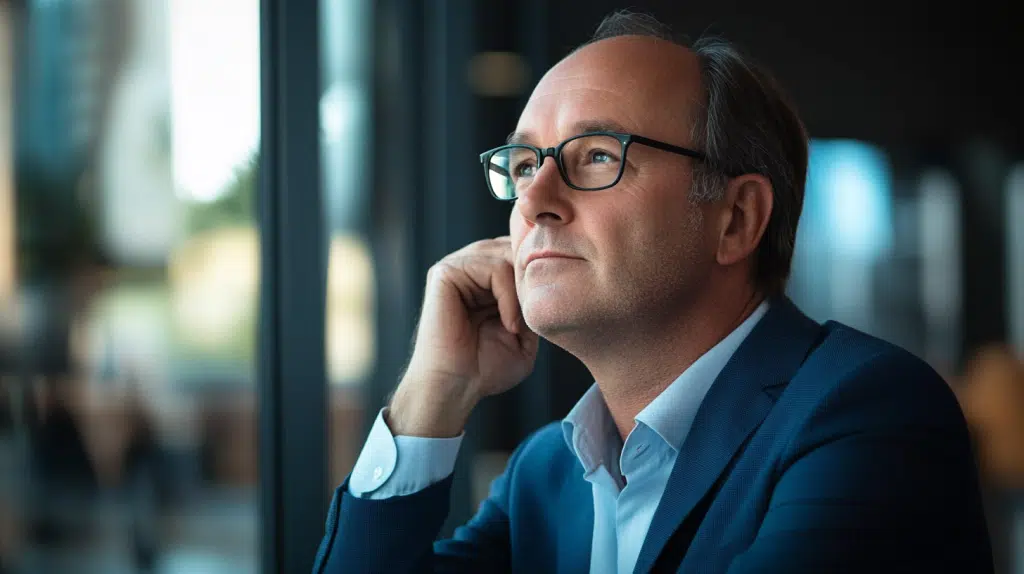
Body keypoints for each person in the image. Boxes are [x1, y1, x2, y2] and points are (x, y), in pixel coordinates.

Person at [313, 11, 993, 574]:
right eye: (523, 166)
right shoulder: (545, 475)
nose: (534, 202)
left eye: (598, 156)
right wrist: (431, 393)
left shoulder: (867, 413)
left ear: (735, 220)